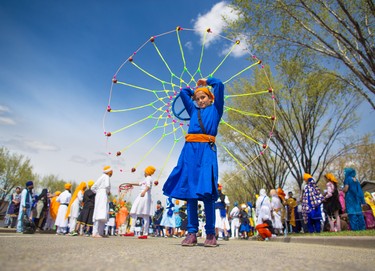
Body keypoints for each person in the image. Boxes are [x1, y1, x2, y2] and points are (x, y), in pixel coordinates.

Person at [163, 77, 224, 247]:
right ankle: (191, 233)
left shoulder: (216, 109)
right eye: (197, 99)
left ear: (211, 98)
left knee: (207, 193)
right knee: (190, 193)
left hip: (206, 151)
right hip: (189, 152)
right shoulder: (193, 111)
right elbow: (183, 92)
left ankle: (210, 234)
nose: (200, 101)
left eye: (203, 97)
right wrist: (193, 91)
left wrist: (206, 82)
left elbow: (219, 85)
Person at [128, 166, 156, 239]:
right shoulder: (146, 179)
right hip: (141, 195)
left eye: (145, 171)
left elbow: (148, 186)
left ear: (147, 172)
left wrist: (144, 191)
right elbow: (140, 183)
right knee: (134, 211)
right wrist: (131, 183)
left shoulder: (149, 178)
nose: (144, 172)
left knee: (145, 214)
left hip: (145, 195)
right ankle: (131, 231)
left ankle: (145, 233)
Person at [92, 166, 112, 238]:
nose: (112, 173)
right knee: (101, 212)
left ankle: (99, 232)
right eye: (111, 171)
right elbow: (107, 186)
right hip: (103, 195)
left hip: (100, 195)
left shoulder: (101, 177)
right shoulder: (106, 177)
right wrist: (107, 192)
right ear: (109, 171)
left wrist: (98, 192)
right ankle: (96, 232)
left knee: (100, 213)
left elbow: (93, 188)